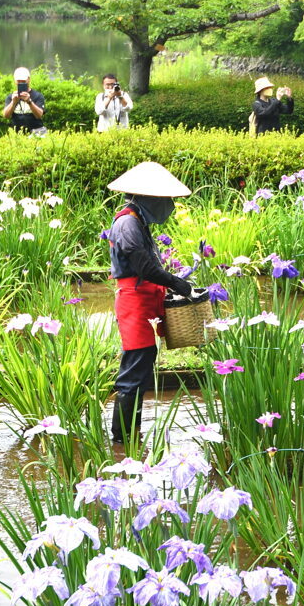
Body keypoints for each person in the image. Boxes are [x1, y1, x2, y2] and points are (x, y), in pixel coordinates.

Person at [106, 162, 194, 444]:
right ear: (148, 198)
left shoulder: (137, 221)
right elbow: (144, 268)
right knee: (133, 372)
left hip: (143, 300)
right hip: (134, 303)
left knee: (142, 368)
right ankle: (122, 440)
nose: (168, 205)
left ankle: (132, 434)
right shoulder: (127, 224)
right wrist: (176, 283)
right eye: (165, 200)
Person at [2, 66, 47, 135]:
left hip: (37, 132)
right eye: (18, 81)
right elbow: (6, 115)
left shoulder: (38, 96)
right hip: (17, 134)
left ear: (28, 79)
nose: (21, 83)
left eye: (23, 81)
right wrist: (13, 102)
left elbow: (39, 115)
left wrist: (29, 101)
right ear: (15, 81)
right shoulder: (11, 97)